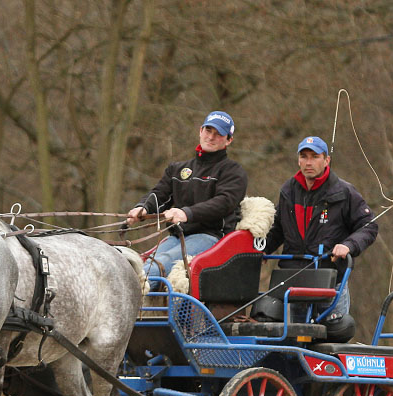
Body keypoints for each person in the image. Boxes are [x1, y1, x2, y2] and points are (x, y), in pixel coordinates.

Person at [127, 110, 248, 287]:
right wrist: (143, 208)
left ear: (228, 140)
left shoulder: (233, 172)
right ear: (200, 131)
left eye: (218, 134)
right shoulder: (177, 169)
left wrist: (187, 213)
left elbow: (223, 203)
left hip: (213, 238)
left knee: (157, 266)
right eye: (208, 131)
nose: (211, 137)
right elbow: (160, 194)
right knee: (143, 262)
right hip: (177, 236)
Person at [264, 135, 378, 322]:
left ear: (326, 160)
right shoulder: (288, 191)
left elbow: (369, 226)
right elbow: (278, 229)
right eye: (304, 156)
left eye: (314, 157)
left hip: (330, 283)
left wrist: (348, 245)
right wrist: (261, 250)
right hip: (292, 282)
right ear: (298, 159)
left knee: (331, 340)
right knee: (287, 344)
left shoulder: (344, 192)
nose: (308, 162)